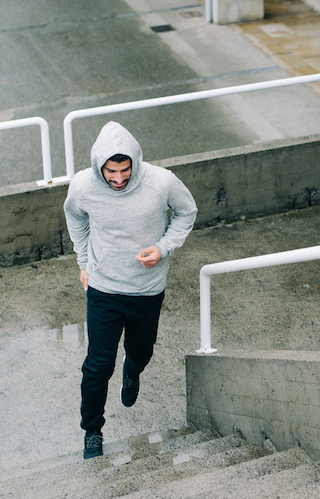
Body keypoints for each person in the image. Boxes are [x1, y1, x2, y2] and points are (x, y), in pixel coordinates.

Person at [63, 121, 197, 460]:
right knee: (97, 365)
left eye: (125, 171)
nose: (119, 179)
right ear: (99, 166)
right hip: (104, 287)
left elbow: (187, 211)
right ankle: (92, 431)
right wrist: (83, 262)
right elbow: (76, 219)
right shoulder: (82, 186)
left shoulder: (161, 181)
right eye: (111, 172)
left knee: (143, 351)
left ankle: (132, 369)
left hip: (147, 289)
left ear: (135, 162)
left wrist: (164, 247)